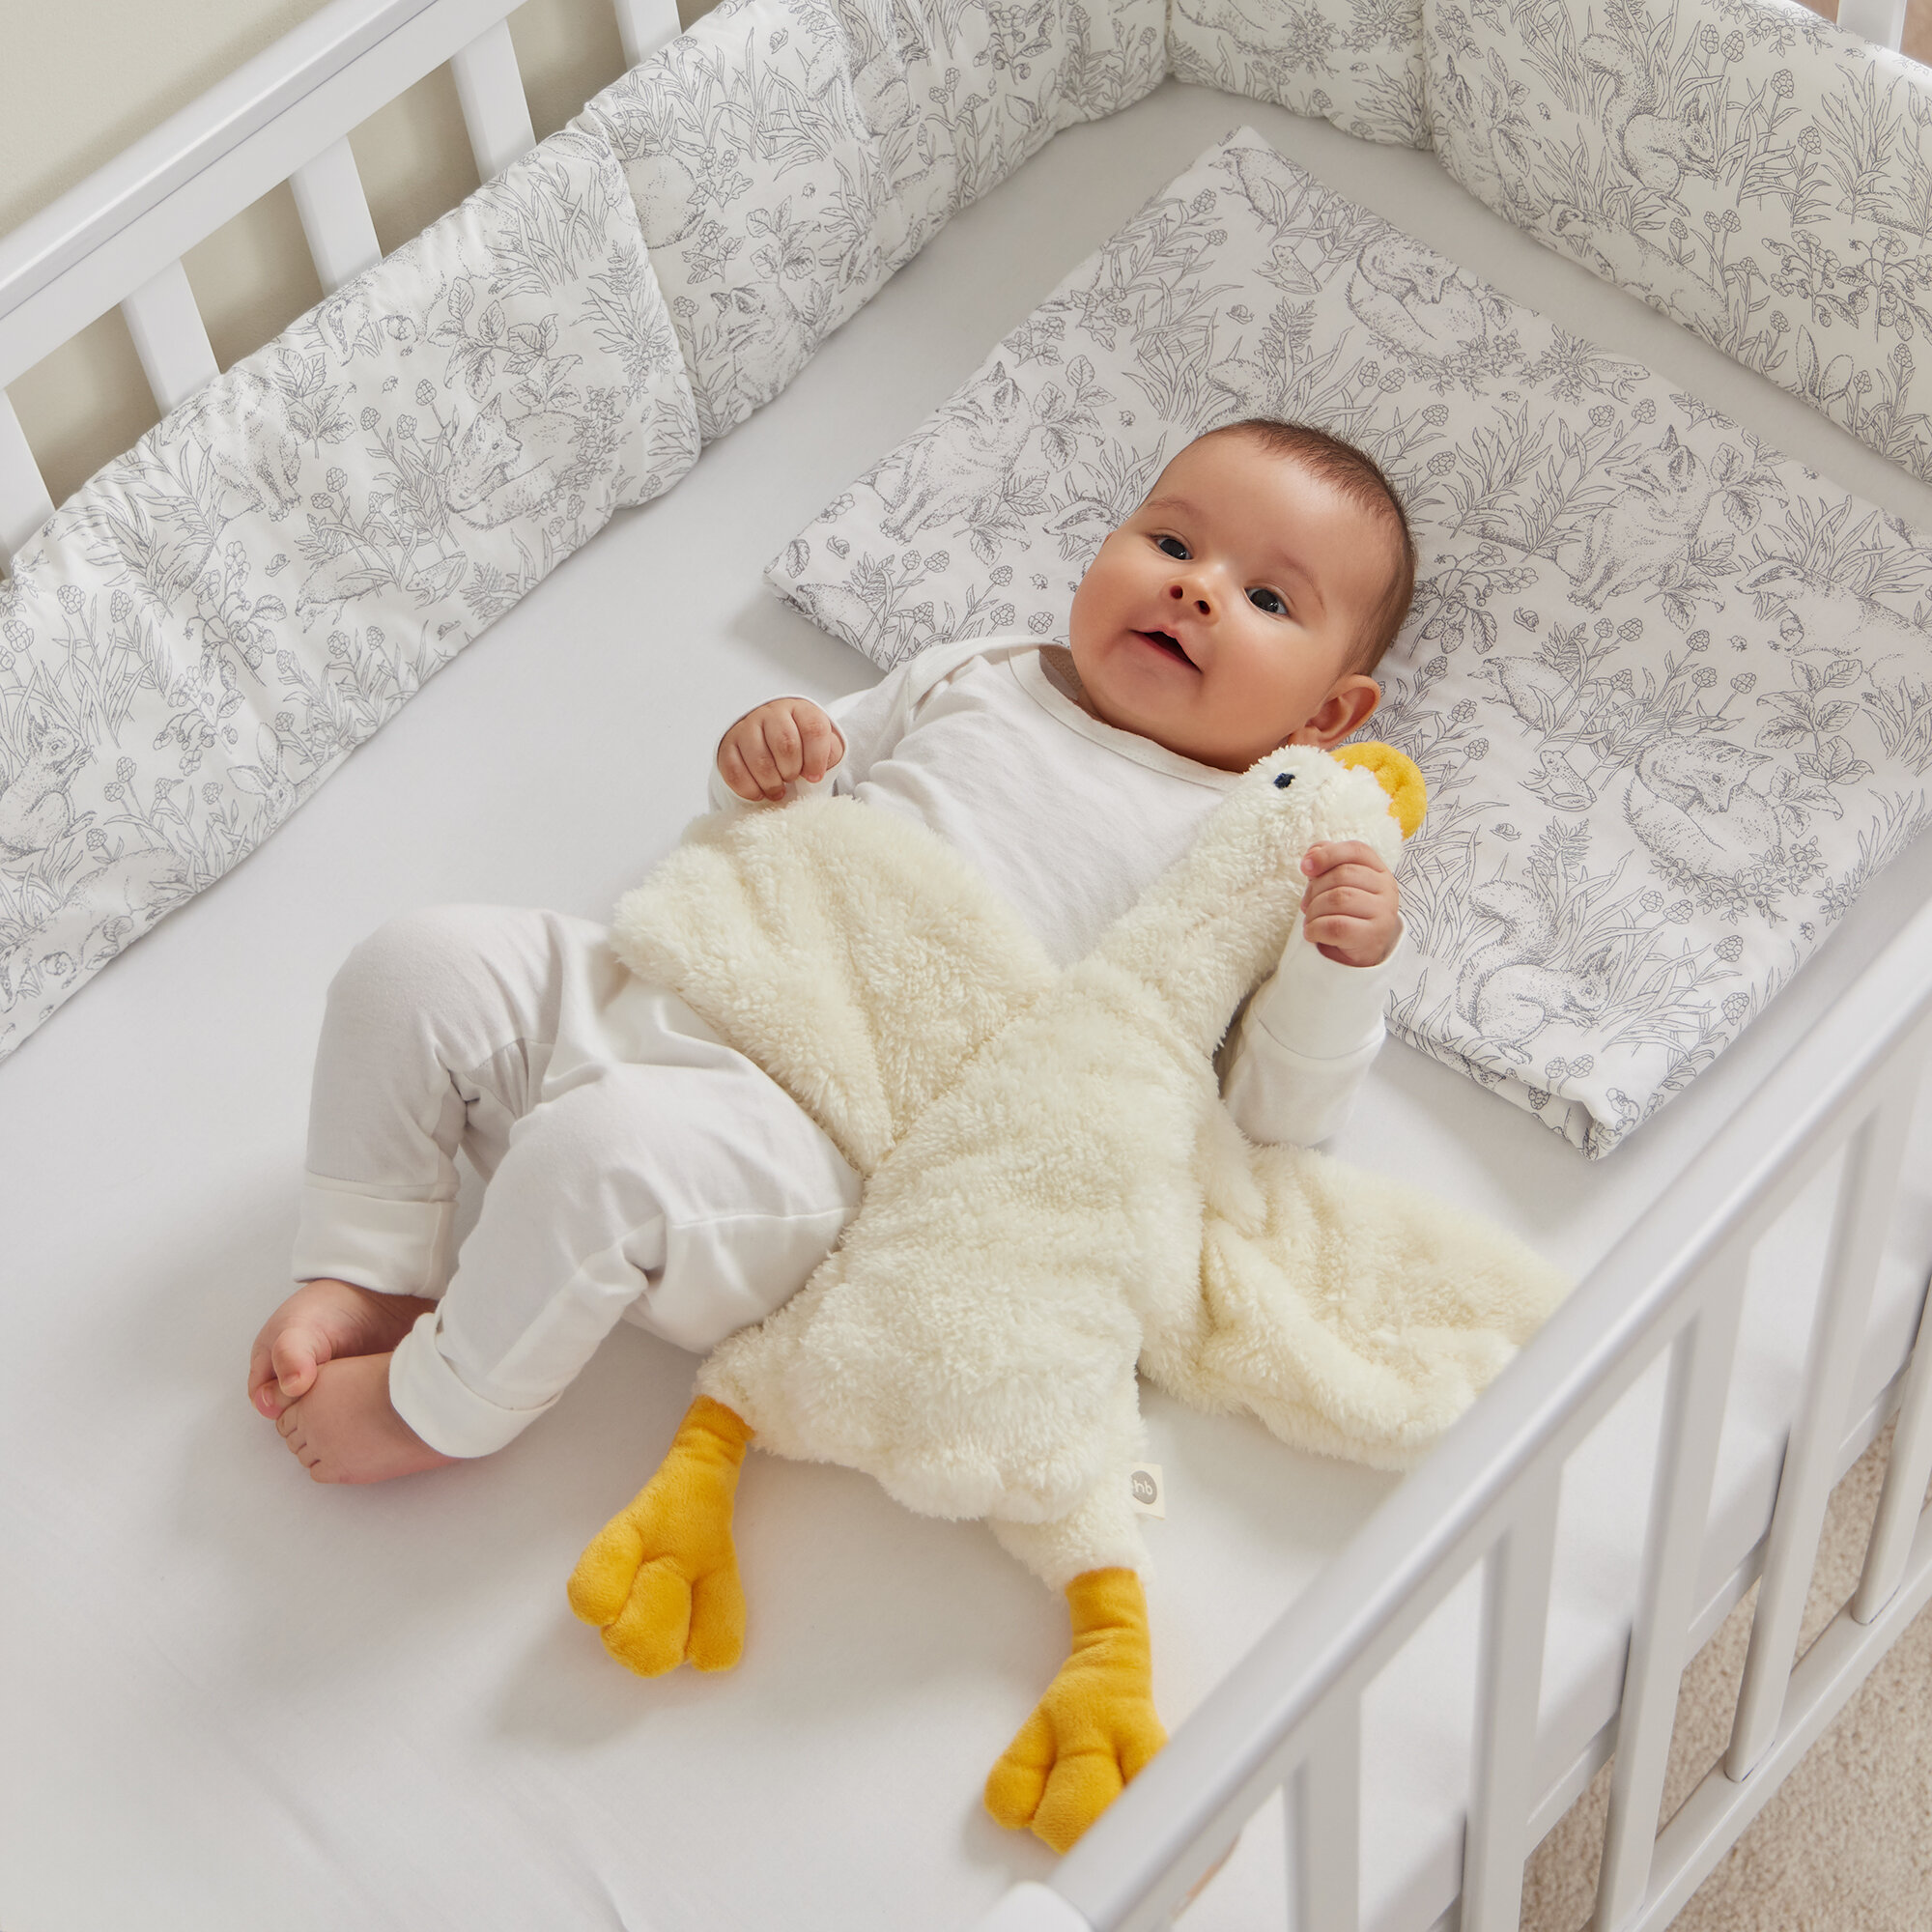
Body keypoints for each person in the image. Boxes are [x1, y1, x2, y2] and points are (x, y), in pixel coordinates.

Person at [248, 416, 1418, 1484]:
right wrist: (763, 754)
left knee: (599, 1154)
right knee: (413, 965)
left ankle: (434, 1408)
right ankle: (370, 1265)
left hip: (820, 1140)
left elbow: (1266, 1124)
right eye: (1169, 540)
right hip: (682, 974)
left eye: (1267, 598)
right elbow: (788, 791)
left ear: (1325, 717)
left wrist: (1338, 968)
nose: (1194, 588)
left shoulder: (1255, 846)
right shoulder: (984, 669)